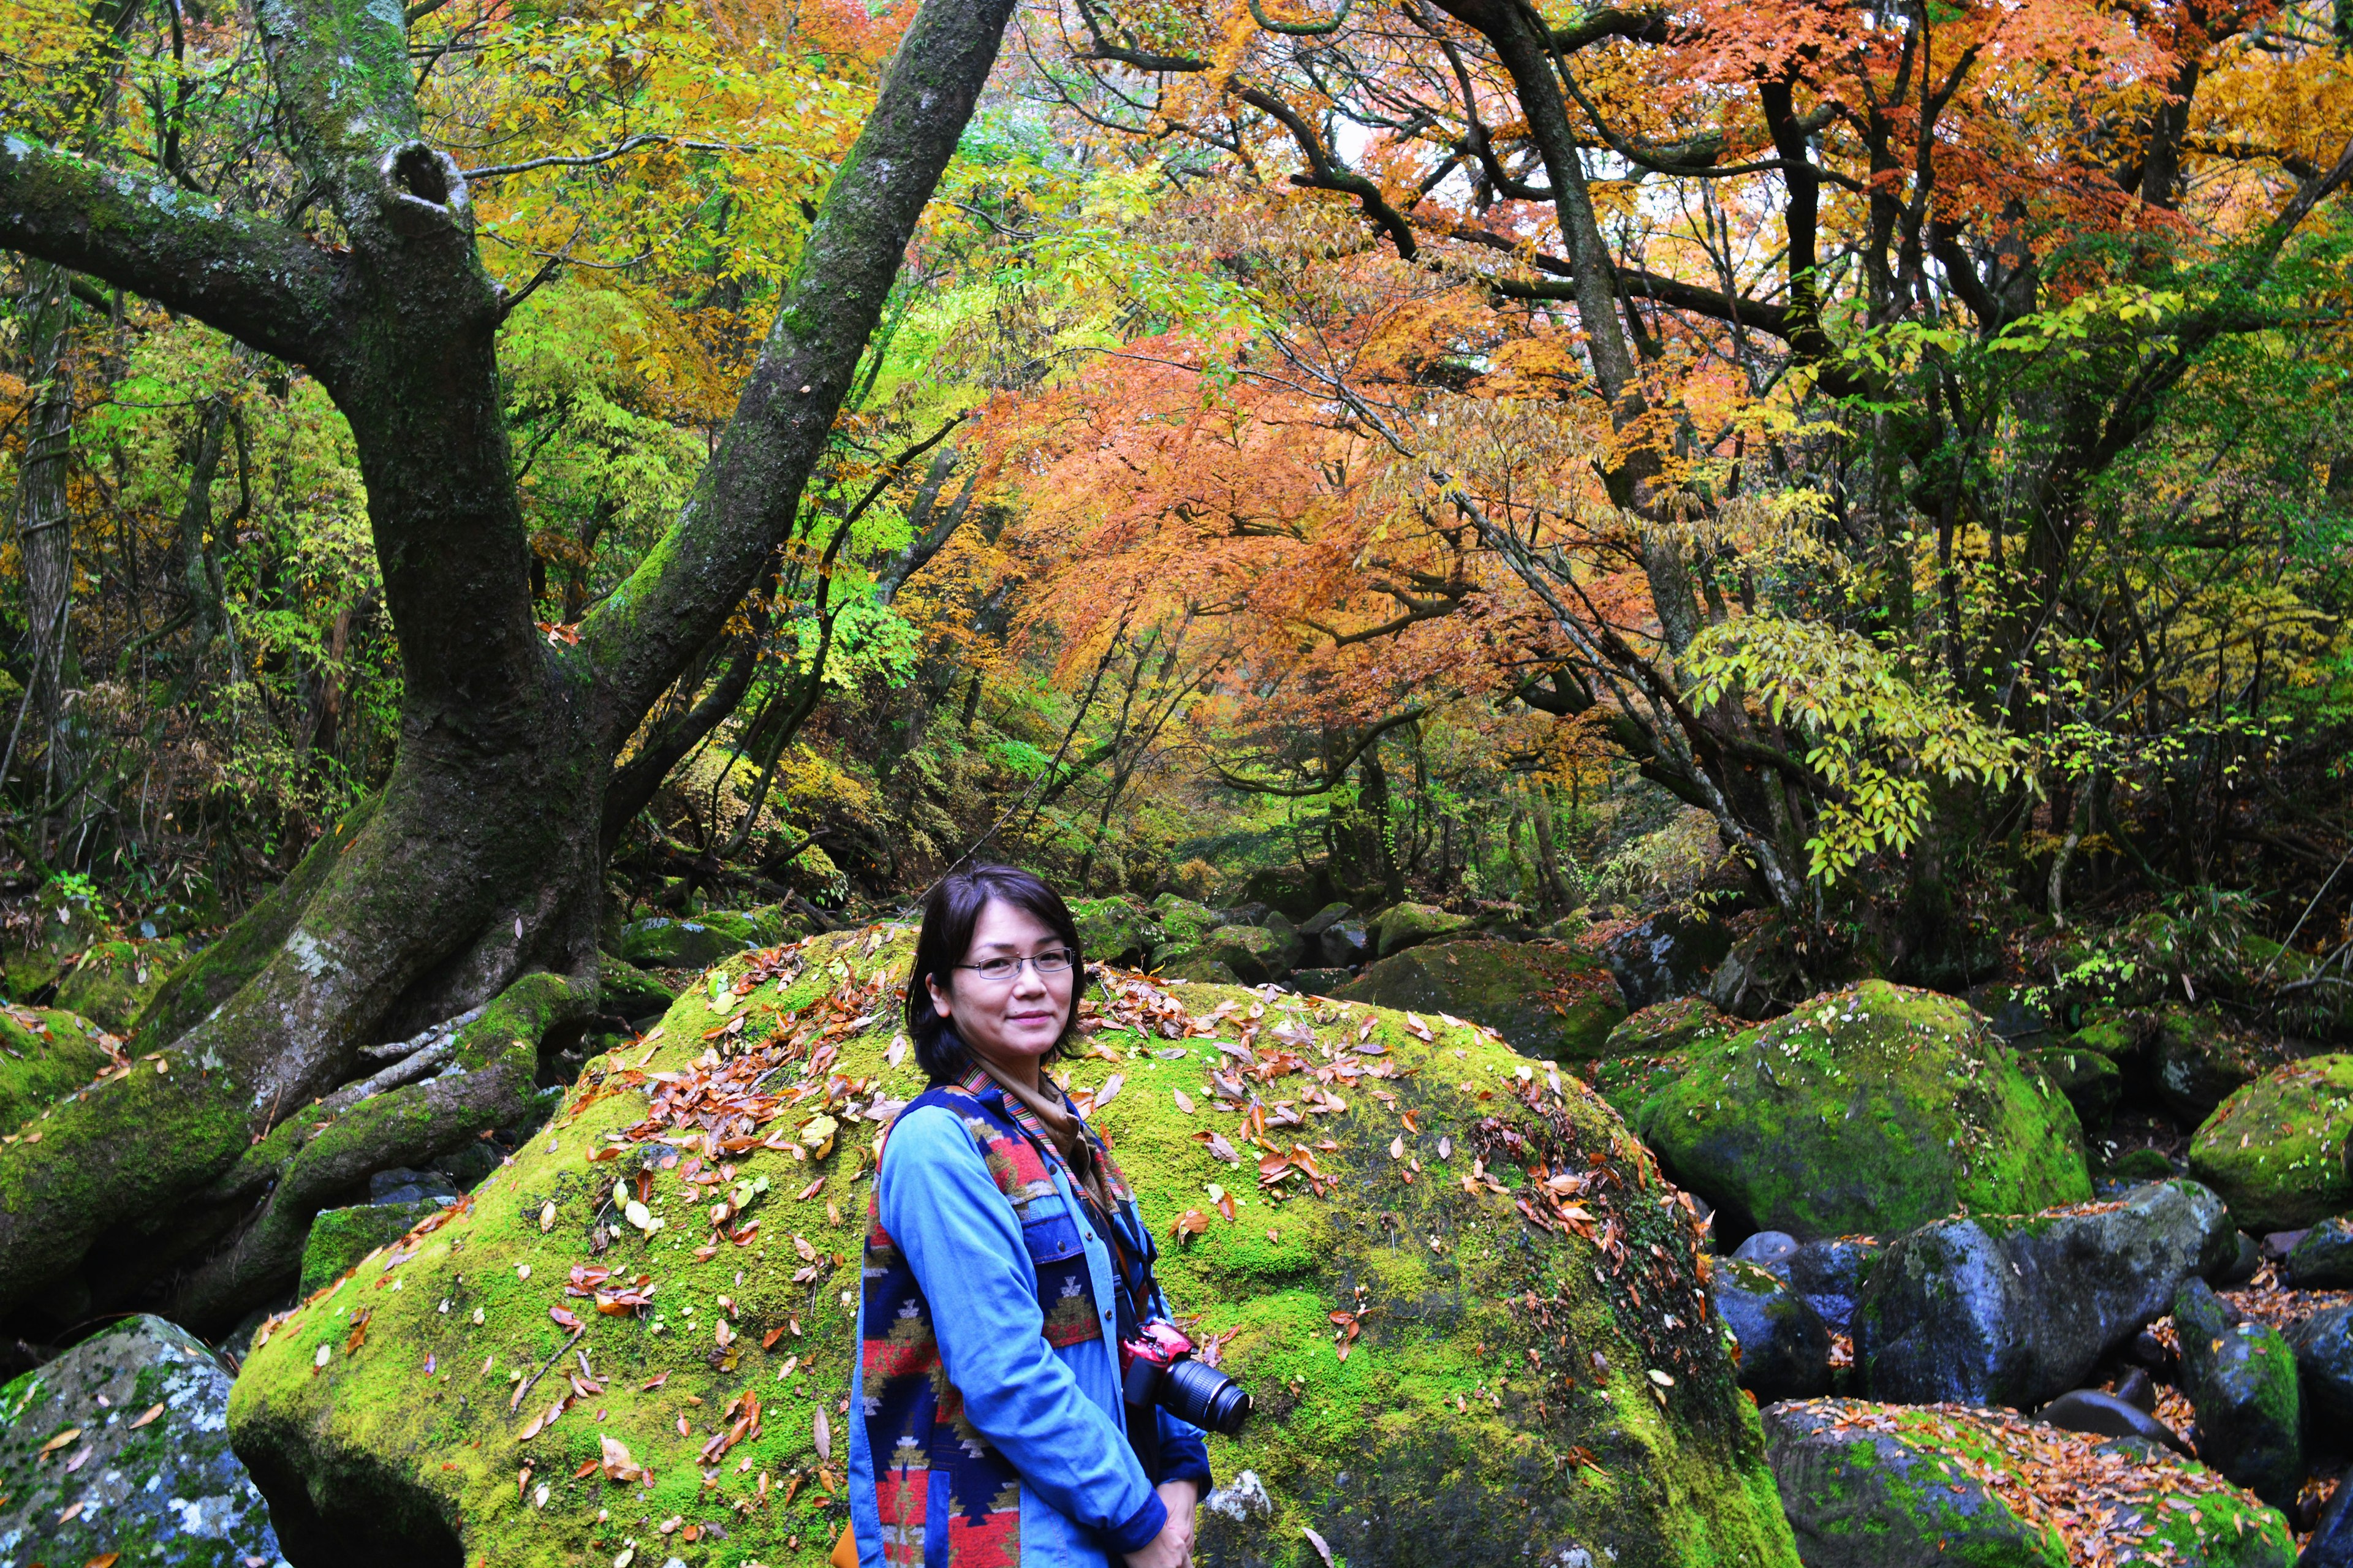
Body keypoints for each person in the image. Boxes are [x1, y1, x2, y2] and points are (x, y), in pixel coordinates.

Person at [845, 865, 1211, 1568]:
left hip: (1108, 1517)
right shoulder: (937, 1143)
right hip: (1006, 1538)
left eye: (1051, 957)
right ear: (941, 993)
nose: (1033, 983)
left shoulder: (1064, 1132)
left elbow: (1143, 1321)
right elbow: (1001, 1371)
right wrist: (1139, 1523)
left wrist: (1180, 1475)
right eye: (997, 964)